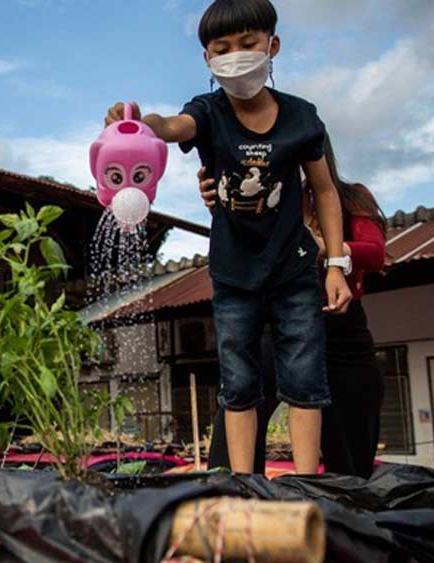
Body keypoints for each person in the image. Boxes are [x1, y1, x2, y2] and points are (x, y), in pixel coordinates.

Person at [105, 0, 352, 474]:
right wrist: (137, 121)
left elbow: (324, 191)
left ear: (272, 45)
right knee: (238, 384)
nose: (236, 56)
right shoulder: (208, 112)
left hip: (294, 271)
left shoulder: (301, 118)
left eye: (248, 44)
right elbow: (172, 126)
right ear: (208, 60)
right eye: (222, 49)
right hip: (234, 275)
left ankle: (304, 485)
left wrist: (336, 266)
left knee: (304, 380)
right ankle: (242, 485)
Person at [204, 136, 388, 478]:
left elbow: (375, 253)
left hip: (342, 332)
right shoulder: (272, 200)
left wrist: (329, 247)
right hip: (281, 323)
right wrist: (220, 201)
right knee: (238, 412)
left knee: (350, 458)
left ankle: (343, 519)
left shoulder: (351, 196)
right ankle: (236, 503)